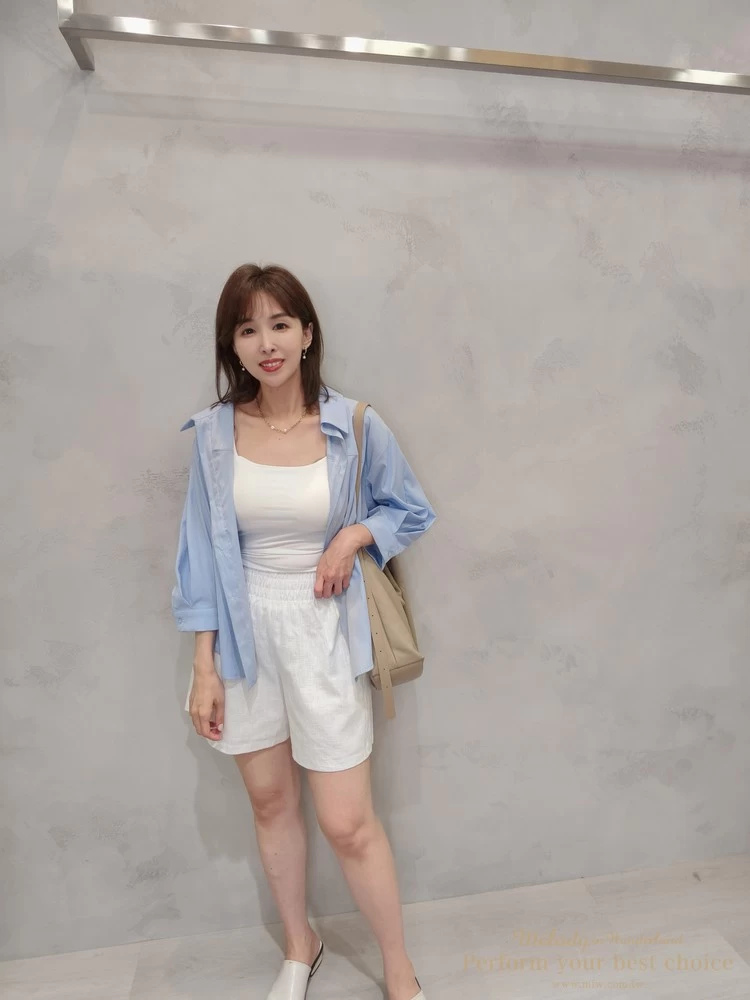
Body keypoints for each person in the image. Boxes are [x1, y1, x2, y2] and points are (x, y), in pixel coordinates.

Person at [171, 263, 436, 1000]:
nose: (267, 343)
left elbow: (410, 509)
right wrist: (203, 666)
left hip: (326, 631)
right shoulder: (215, 435)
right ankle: (300, 945)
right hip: (243, 635)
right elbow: (199, 555)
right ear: (232, 344)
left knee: (348, 822)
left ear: (307, 333)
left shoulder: (353, 423)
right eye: (247, 329)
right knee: (270, 804)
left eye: (280, 324)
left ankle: (399, 970)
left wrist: (353, 536)